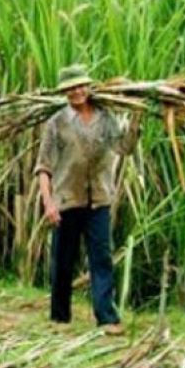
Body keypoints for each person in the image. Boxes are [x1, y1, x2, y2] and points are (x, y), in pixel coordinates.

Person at [34, 65, 142, 336]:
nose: (77, 91)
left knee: (101, 259)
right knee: (63, 261)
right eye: (70, 88)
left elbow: (124, 148)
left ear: (88, 87)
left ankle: (106, 318)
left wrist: (136, 118)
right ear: (64, 92)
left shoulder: (106, 118)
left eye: (80, 86)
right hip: (67, 200)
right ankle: (60, 317)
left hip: (99, 200)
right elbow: (44, 167)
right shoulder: (57, 123)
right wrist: (48, 203)